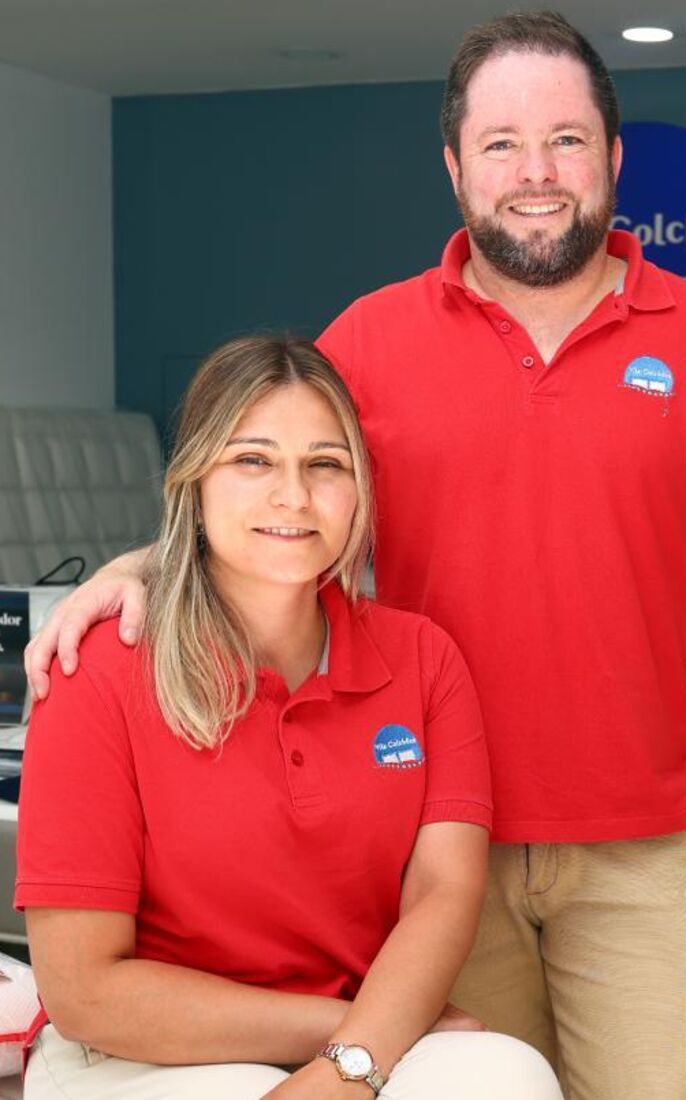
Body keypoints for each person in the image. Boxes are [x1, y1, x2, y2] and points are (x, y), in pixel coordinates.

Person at [24, 12, 686, 1099]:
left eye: (566, 140)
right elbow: (270, 494)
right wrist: (134, 571)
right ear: (453, 167)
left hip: (639, 838)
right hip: (432, 848)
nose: (534, 173)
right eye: (499, 144)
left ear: (613, 158)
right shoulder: (369, 338)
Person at [16, 336, 562, 1100]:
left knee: (509, 1075)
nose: (293, 497)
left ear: (361, 490)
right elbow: (84, 993)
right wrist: (342, 1043)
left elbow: (443, 894)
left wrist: (351, 1066)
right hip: (148, 1052)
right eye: (253, 461)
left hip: (367, 1033)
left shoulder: (423, 659)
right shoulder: (98, 671)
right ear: (193, 482)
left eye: (326, 465)